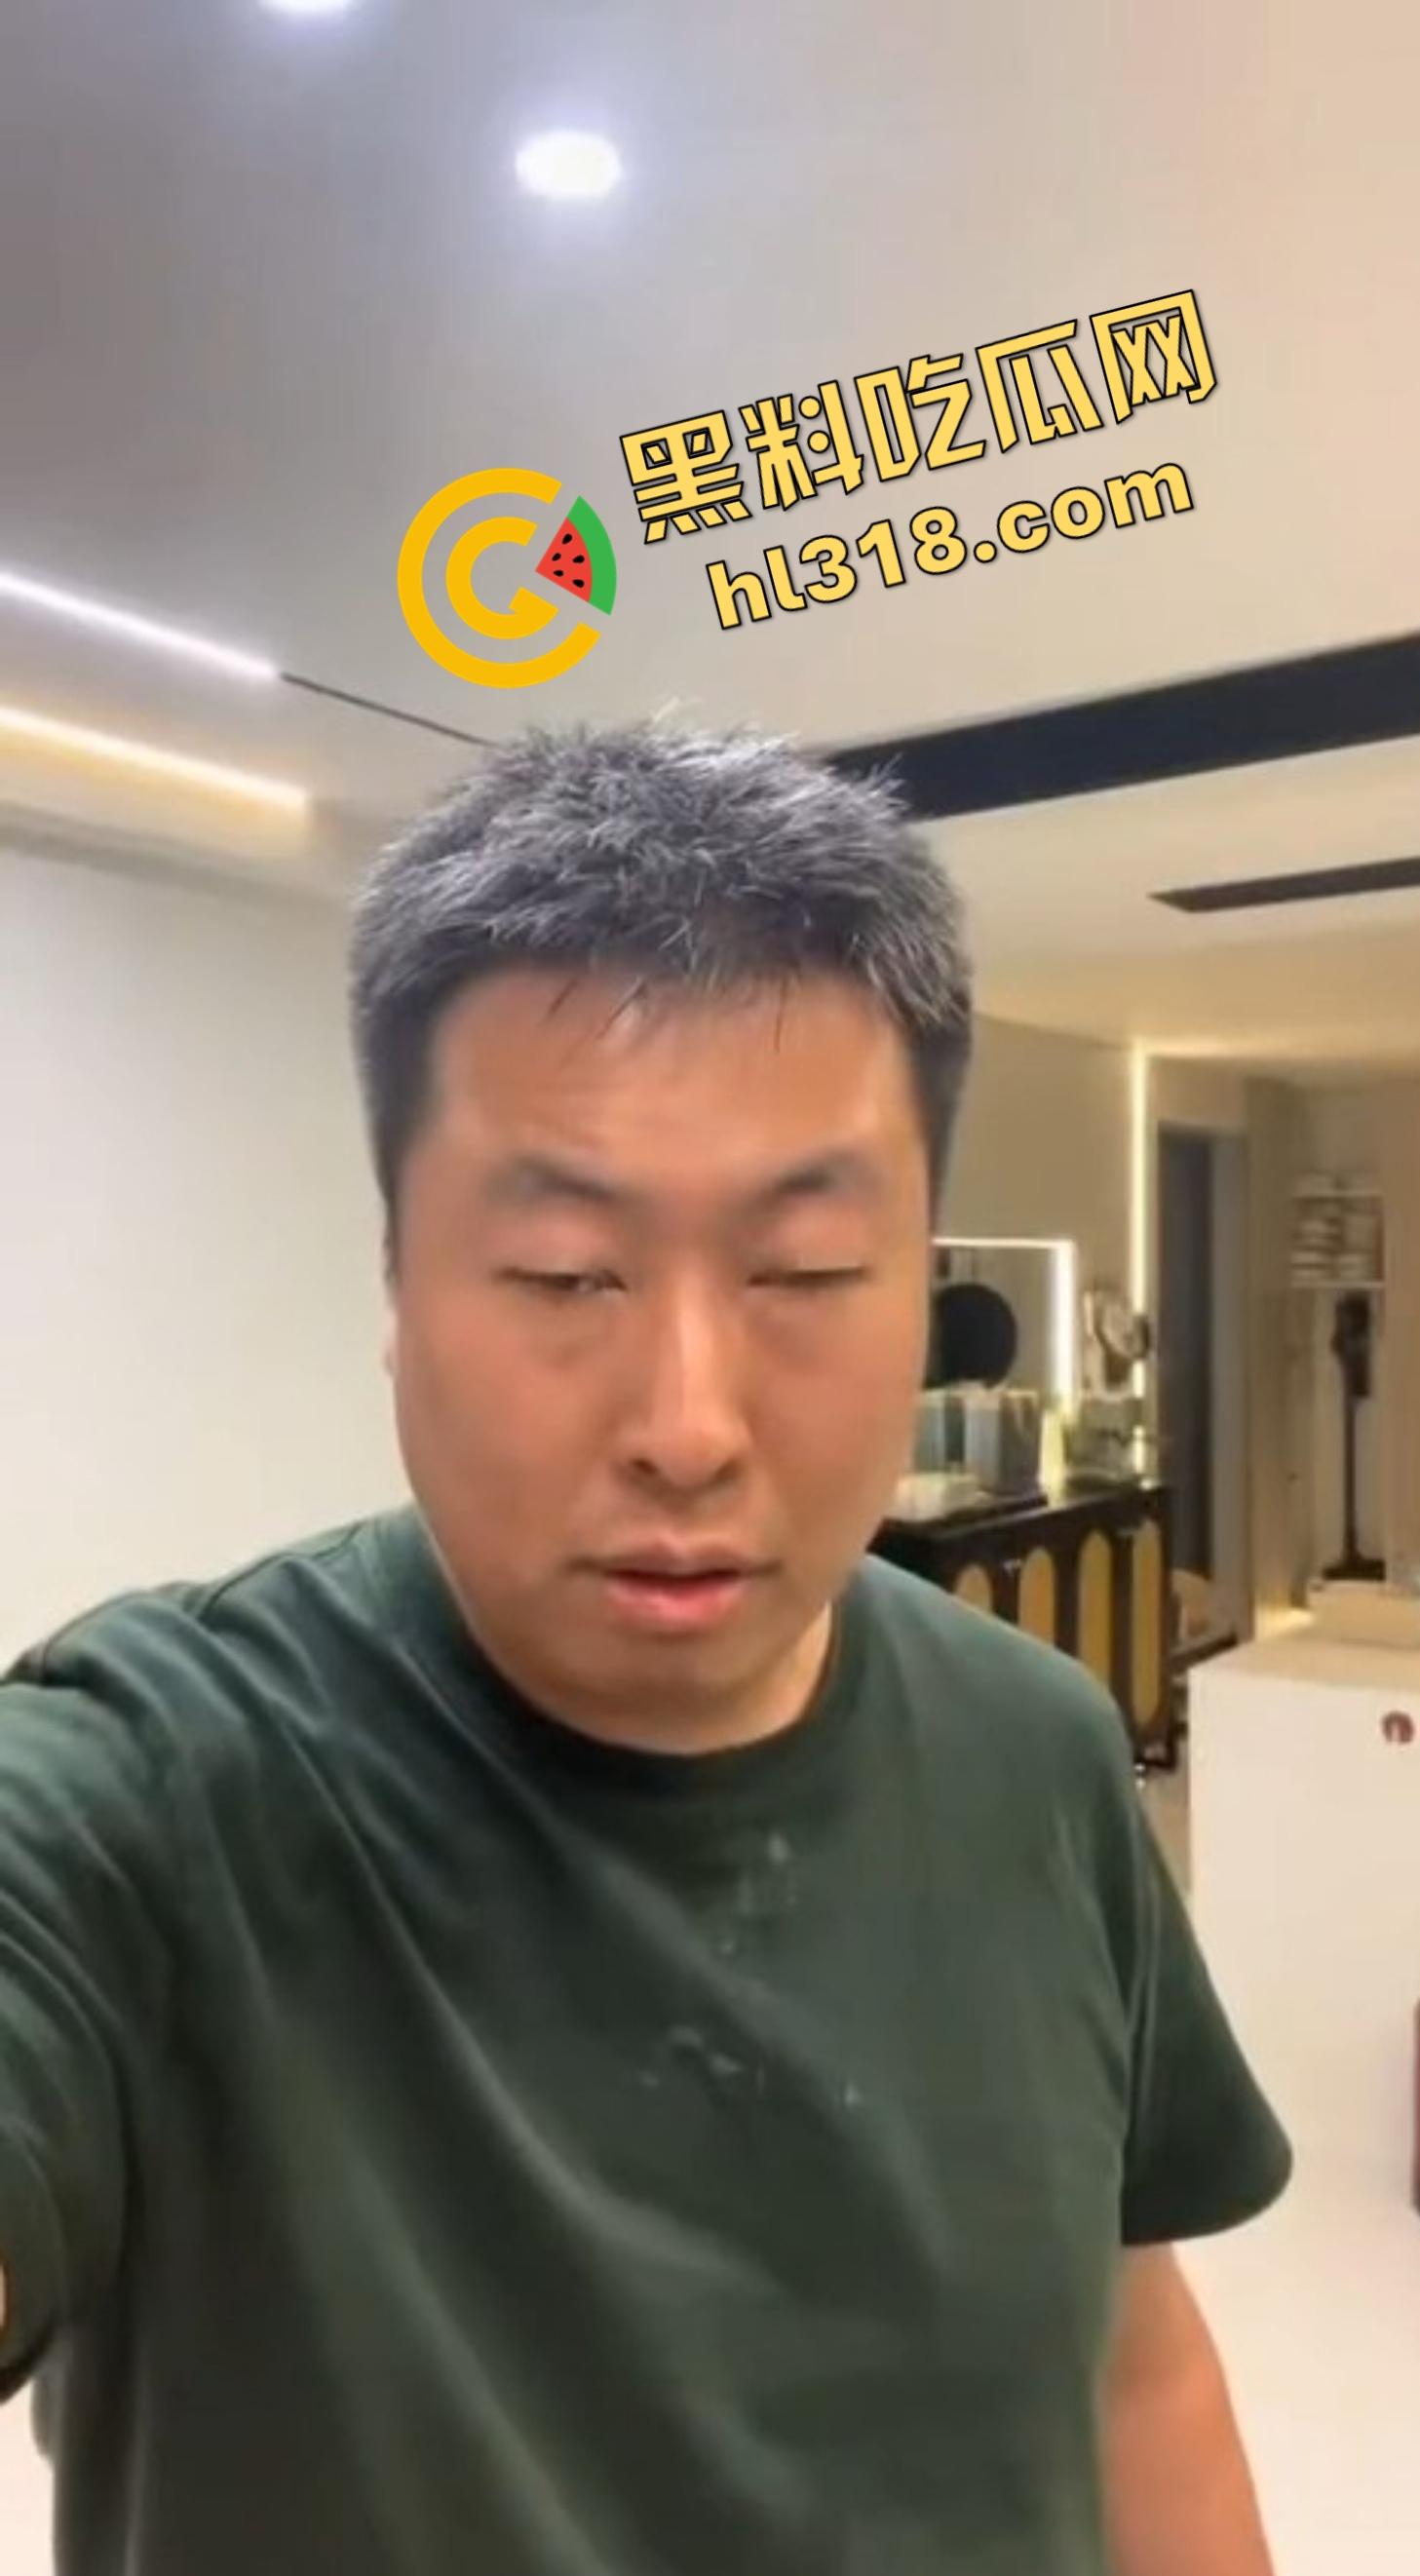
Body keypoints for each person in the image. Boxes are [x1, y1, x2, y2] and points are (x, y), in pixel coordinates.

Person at [0, 722, 1291, 2576]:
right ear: (394, 1285)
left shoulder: (1039, 1746)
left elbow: (1132, 2370)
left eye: (804, 1275)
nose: (687, 1424)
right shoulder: (155, 1783)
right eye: (563, 1276)